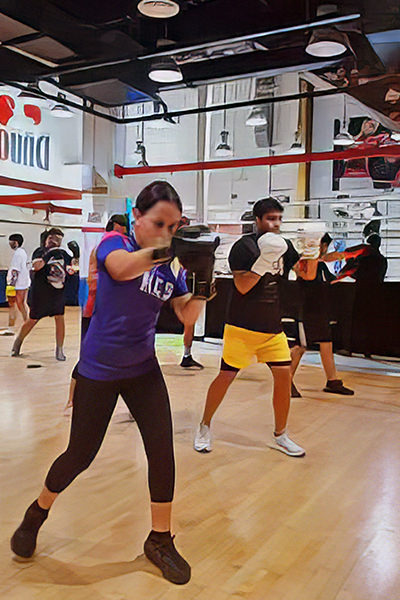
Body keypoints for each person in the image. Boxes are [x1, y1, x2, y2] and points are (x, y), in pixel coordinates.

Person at [10, 181, 218, 585]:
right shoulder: (112, 243)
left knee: (161, 452)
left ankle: (159, 539)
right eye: (160, 222)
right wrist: (170, 250)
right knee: (80, 455)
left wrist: (204, 278)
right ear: (138, 218)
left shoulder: (168, 268)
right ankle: (38, 511)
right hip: (99, 369)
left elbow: (187, 316)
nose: (167, 232)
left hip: (143, 369)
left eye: (174, 227)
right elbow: (121, 269)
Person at [194, 197, 305, 457]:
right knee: (226, 376)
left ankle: (281, 434)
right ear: (257, 220)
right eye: (270, 218)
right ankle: (204, 425)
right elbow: (243, 286)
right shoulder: (244, 247)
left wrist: (312, 251)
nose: (275, 224)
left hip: (272, 328)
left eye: (279, 218)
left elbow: (305, 274)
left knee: (283, 377)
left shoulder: (284, 246)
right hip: (241, 327)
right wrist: (265, 260)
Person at [65, 214, 128, 410]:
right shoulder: (110, 245)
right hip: (98, 311)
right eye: (123, 226)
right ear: (116, 226)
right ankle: (73, 400)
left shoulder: (111, 245)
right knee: (91, 356)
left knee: (116, 357)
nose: (125, 229)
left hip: (103, 311)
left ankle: (74, 399)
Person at [281, 233, 354, 397]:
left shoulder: (318, 264)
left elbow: (329, 280)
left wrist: (342, 263)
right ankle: (285, 381)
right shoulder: (307, 261)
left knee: (326, 343)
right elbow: (309, 276)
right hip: (307, 311)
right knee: (300, 347)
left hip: (319, 311)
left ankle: (332, 381)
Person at [11, 228, 73, 361]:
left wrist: (74, 260)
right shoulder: (39, 252)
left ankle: (60, 349)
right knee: (32, 320)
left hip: (57, 292)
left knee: (60, 318)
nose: (54, 241)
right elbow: (36, 266)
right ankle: (18, 343)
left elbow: (71, 268)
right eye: (51, 238)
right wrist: (48, 255)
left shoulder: (62, 254)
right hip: (40, 293)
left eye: (57, 239)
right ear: (46, 239)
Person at [0, 234, 30, 336]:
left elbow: (15, 271)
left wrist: (11, 285)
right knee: (20, 305)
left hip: (17, 284)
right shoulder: (22, 252)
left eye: (11, 241)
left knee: (14, 305)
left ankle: (12, 327)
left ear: (16, 242)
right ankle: (26, 322)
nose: (10, 244)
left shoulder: (18, 254)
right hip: (22, 283)